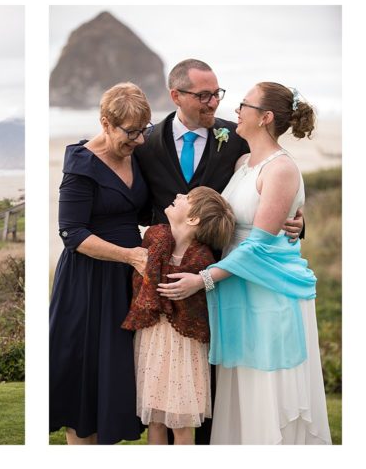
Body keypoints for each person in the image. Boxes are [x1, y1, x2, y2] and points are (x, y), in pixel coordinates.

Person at [135, 59, 304, 444]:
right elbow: (135, 202)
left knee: (216, 380)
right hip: (171, 277)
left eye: (218, 94)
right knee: (173, 384)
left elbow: (273, 187)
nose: (214, 103)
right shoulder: (146, 143)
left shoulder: (237, 138)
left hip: (223, 276)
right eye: (203, 96)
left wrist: (297, 220)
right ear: (175, 95)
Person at [49, 82, 150, 445]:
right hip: (88, 284)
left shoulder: (137, 153)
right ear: (105, 122)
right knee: (84, 389)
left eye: (144, 130)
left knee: (115, 385)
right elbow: (72, 233)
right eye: (131, 131)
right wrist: (130, 255)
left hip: (126, 282)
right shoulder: (81, 167)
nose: (138, 140)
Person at [121, 187, 235, 445]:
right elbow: (141, 286)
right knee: (155, 421)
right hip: (152, 338)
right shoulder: (154, 237)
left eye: (187, 198)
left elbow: (199, 310)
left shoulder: (201, 260)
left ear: (193, 219)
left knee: (183, 424)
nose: (179, 195)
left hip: (186, 347)